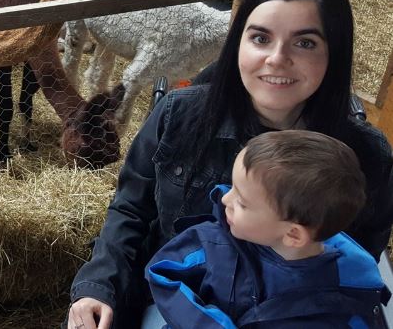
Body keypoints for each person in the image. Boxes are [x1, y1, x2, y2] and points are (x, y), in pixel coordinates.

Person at [66, 0, 393, 329]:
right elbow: (130, 211)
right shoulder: (179, 116)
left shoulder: (365, 156)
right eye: (260, 38)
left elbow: (355, 263)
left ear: (335, 52)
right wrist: (99, 287)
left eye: (305, 43)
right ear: (239, 42)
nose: (276, 58)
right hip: (174, 293)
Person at [146, 130, 389, 328]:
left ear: (293, 234)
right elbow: (162, 273)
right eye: (232, 187)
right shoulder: (214, 242)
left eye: (242, 202)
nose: (225, 200)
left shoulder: (347, 297)